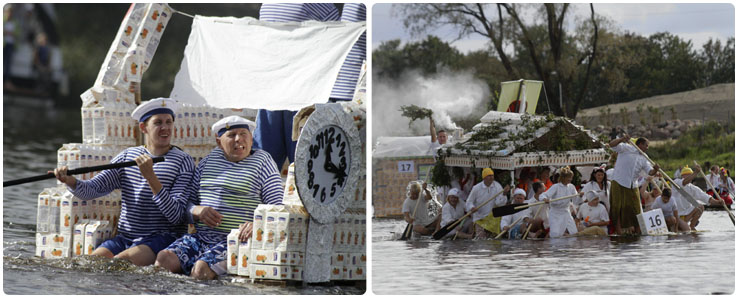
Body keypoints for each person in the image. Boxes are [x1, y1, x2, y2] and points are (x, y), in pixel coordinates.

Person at [53, 98, 195, 266]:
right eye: (158, 123)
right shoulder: (128, 156)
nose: (165, 128)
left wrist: (151, 177)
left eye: (169, 122)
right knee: (90, 264)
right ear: (143, 128)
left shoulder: (183, 161)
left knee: (116, 265)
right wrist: (70, 181)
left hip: (162, 238)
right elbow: (92, 190)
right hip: (125, 237)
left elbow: (176, 215)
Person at [155, 116, 283, 280]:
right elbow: (186, 206)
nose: (238, 139)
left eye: (243, 133)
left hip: (236, 241)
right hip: (202, 238)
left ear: (251, 138)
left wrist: (257, 223)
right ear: (218, 142)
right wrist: (197, 210)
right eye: (231, 135)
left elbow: (277, 209)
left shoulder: (263, 162)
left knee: (200, 270)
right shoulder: (207, 162)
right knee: (163, 260)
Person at [253, 3, 341, 168]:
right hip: (307, 89)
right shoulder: (319, 4)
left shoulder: (266, 5)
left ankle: (257, 191)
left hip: (273, 85)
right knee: (306, 161)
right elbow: (339, 38)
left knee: (263, 159)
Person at [608, 135, 660, 235]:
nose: (647, 148)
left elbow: (650, 172)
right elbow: (611, 145)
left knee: (636, 208)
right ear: (640, 144)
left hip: (633, 184)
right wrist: (621, 139)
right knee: (616, 206)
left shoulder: (645, 157)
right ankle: (619, 232)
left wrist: (656, 170)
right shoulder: (626, 147)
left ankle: (637, 231)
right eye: (646, 145)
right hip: (619, 181)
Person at [466, 168, 510, 239]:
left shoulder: (497, 186)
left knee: (493, 240)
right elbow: (469, 202)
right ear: (484, 177)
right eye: (489, 176)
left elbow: (499, 204)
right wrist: (472, 208)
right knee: (481, 240)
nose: (491, 177)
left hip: (493, 218)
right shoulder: (476, 188)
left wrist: (504, 194)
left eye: (492, 175)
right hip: (480, 218)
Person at [539, 166, 579, 238]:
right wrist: (545, 199)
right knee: (555, 234)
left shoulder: (572, 187)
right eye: (568, 177)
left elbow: (576, 200)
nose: (570, 179)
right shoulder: (555, 187)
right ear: (563, 178)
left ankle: (571, 248)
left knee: (574, 232)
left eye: (571, 177)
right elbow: (543, 195)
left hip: (566, 212)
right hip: (555, 213)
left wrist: (580, 196)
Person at [673, 165, 710, 230]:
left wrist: (718, 201)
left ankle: (692, 226)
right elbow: (684, 182)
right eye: (687, 175)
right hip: (676, 216)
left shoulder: (693, 188)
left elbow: (706, 197)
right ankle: (682, 226)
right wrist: (695, 172)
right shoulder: (676, 182)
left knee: (700, 207)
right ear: (682, 176)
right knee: (686, 230)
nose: (690, 177)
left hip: (686, 216)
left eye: (690, 175)